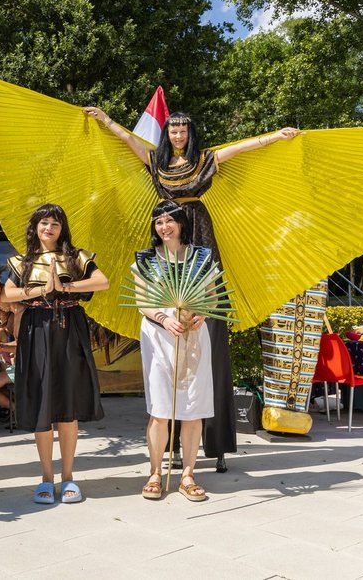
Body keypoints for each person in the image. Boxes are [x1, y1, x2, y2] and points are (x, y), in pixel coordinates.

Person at [84, 105, 300, 472]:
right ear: (167, 134)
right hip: (168, 233)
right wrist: (105, 121)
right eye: (173, 130)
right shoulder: (155, 161)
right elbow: (126, 139)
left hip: (200, 231)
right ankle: (164, 441)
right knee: (164, 311)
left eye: (184, 131)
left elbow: (243, 147)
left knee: (208, 325)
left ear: (190, 133)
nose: (178, 136)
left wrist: (276, 137)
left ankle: (208, 444)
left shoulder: (206, 159)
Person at [2, 204, 110, 504]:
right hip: (36, 331)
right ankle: (46, 479)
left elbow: (103, 282)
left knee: (68, 402)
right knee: (41, 402)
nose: (48, 228)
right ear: (34, 226)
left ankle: (69, 478)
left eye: (55, 224)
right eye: (43, 223)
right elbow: (5, 295)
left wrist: (65, 286)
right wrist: (39, 290)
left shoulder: (77, 257)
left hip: (69, 330)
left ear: (63, 229)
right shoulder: (21, 261)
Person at [133, 200, 214, 501]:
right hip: (158, 335)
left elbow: (213, 299)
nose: (164, 227)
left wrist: (202, 313)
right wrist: (165, 318)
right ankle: (155, 472)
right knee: (160, 409)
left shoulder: (202, 257)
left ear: (181, 223)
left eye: (169, 220)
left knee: (192, 408)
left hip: (193, 336)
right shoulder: (145, 260)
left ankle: (188, 474)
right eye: (158, 222)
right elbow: (142, 301)